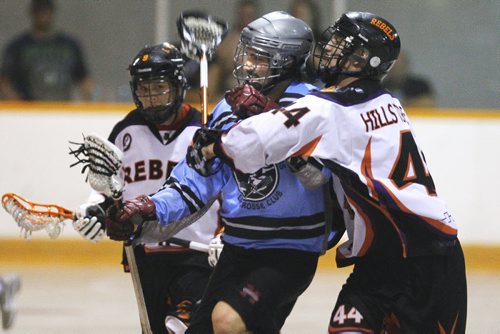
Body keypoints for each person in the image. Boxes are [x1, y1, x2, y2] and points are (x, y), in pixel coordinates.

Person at [189, 11, 467, 333]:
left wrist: (213, 144)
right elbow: (323, 164)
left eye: (340, 42)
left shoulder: (330, 109)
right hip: (380, 261)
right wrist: (277, 122)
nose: (329, 46)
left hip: (427, 259)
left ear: (362, 59)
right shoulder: (386, 102)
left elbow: (253, 145)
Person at [105, 11, 344, 334]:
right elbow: (195, 182)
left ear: (285, 60)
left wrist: (273, 121)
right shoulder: (228, 108)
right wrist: (148, 209)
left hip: (288, 250)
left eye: (259, 57)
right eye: (247, 54)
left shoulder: (314, 105)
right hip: (238, 247)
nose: (247, 64)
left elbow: (320, 176)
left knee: (229, 321)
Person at [73, 43, 220, 333]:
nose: (151, 99)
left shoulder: (204, 129)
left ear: (178, 86)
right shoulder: (125, 131)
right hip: (145, 252)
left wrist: (228, 233)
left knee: (180, 327)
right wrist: (92, 208)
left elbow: (229, 187)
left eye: (159, 88)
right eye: (144, 90)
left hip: (200, 253)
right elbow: (108, 188)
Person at [0, 0, 92, 101]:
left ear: (52, 13)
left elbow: (84, 80)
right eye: (39, 12)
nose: (43, 16)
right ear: (32, 13)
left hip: (62, 108)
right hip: (29, 109)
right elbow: (4, 82)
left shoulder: (70, 45)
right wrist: (19, 105)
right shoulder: (17, 47)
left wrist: (91, 102)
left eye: (46, 12)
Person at [206, 0, 260, 103]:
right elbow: (217, 69)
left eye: (250, 15)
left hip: (257, 94)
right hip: (230, 93)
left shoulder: (264, 42)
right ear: (239, 15)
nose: (247, 18)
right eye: (244, 14)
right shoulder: (228, 41)